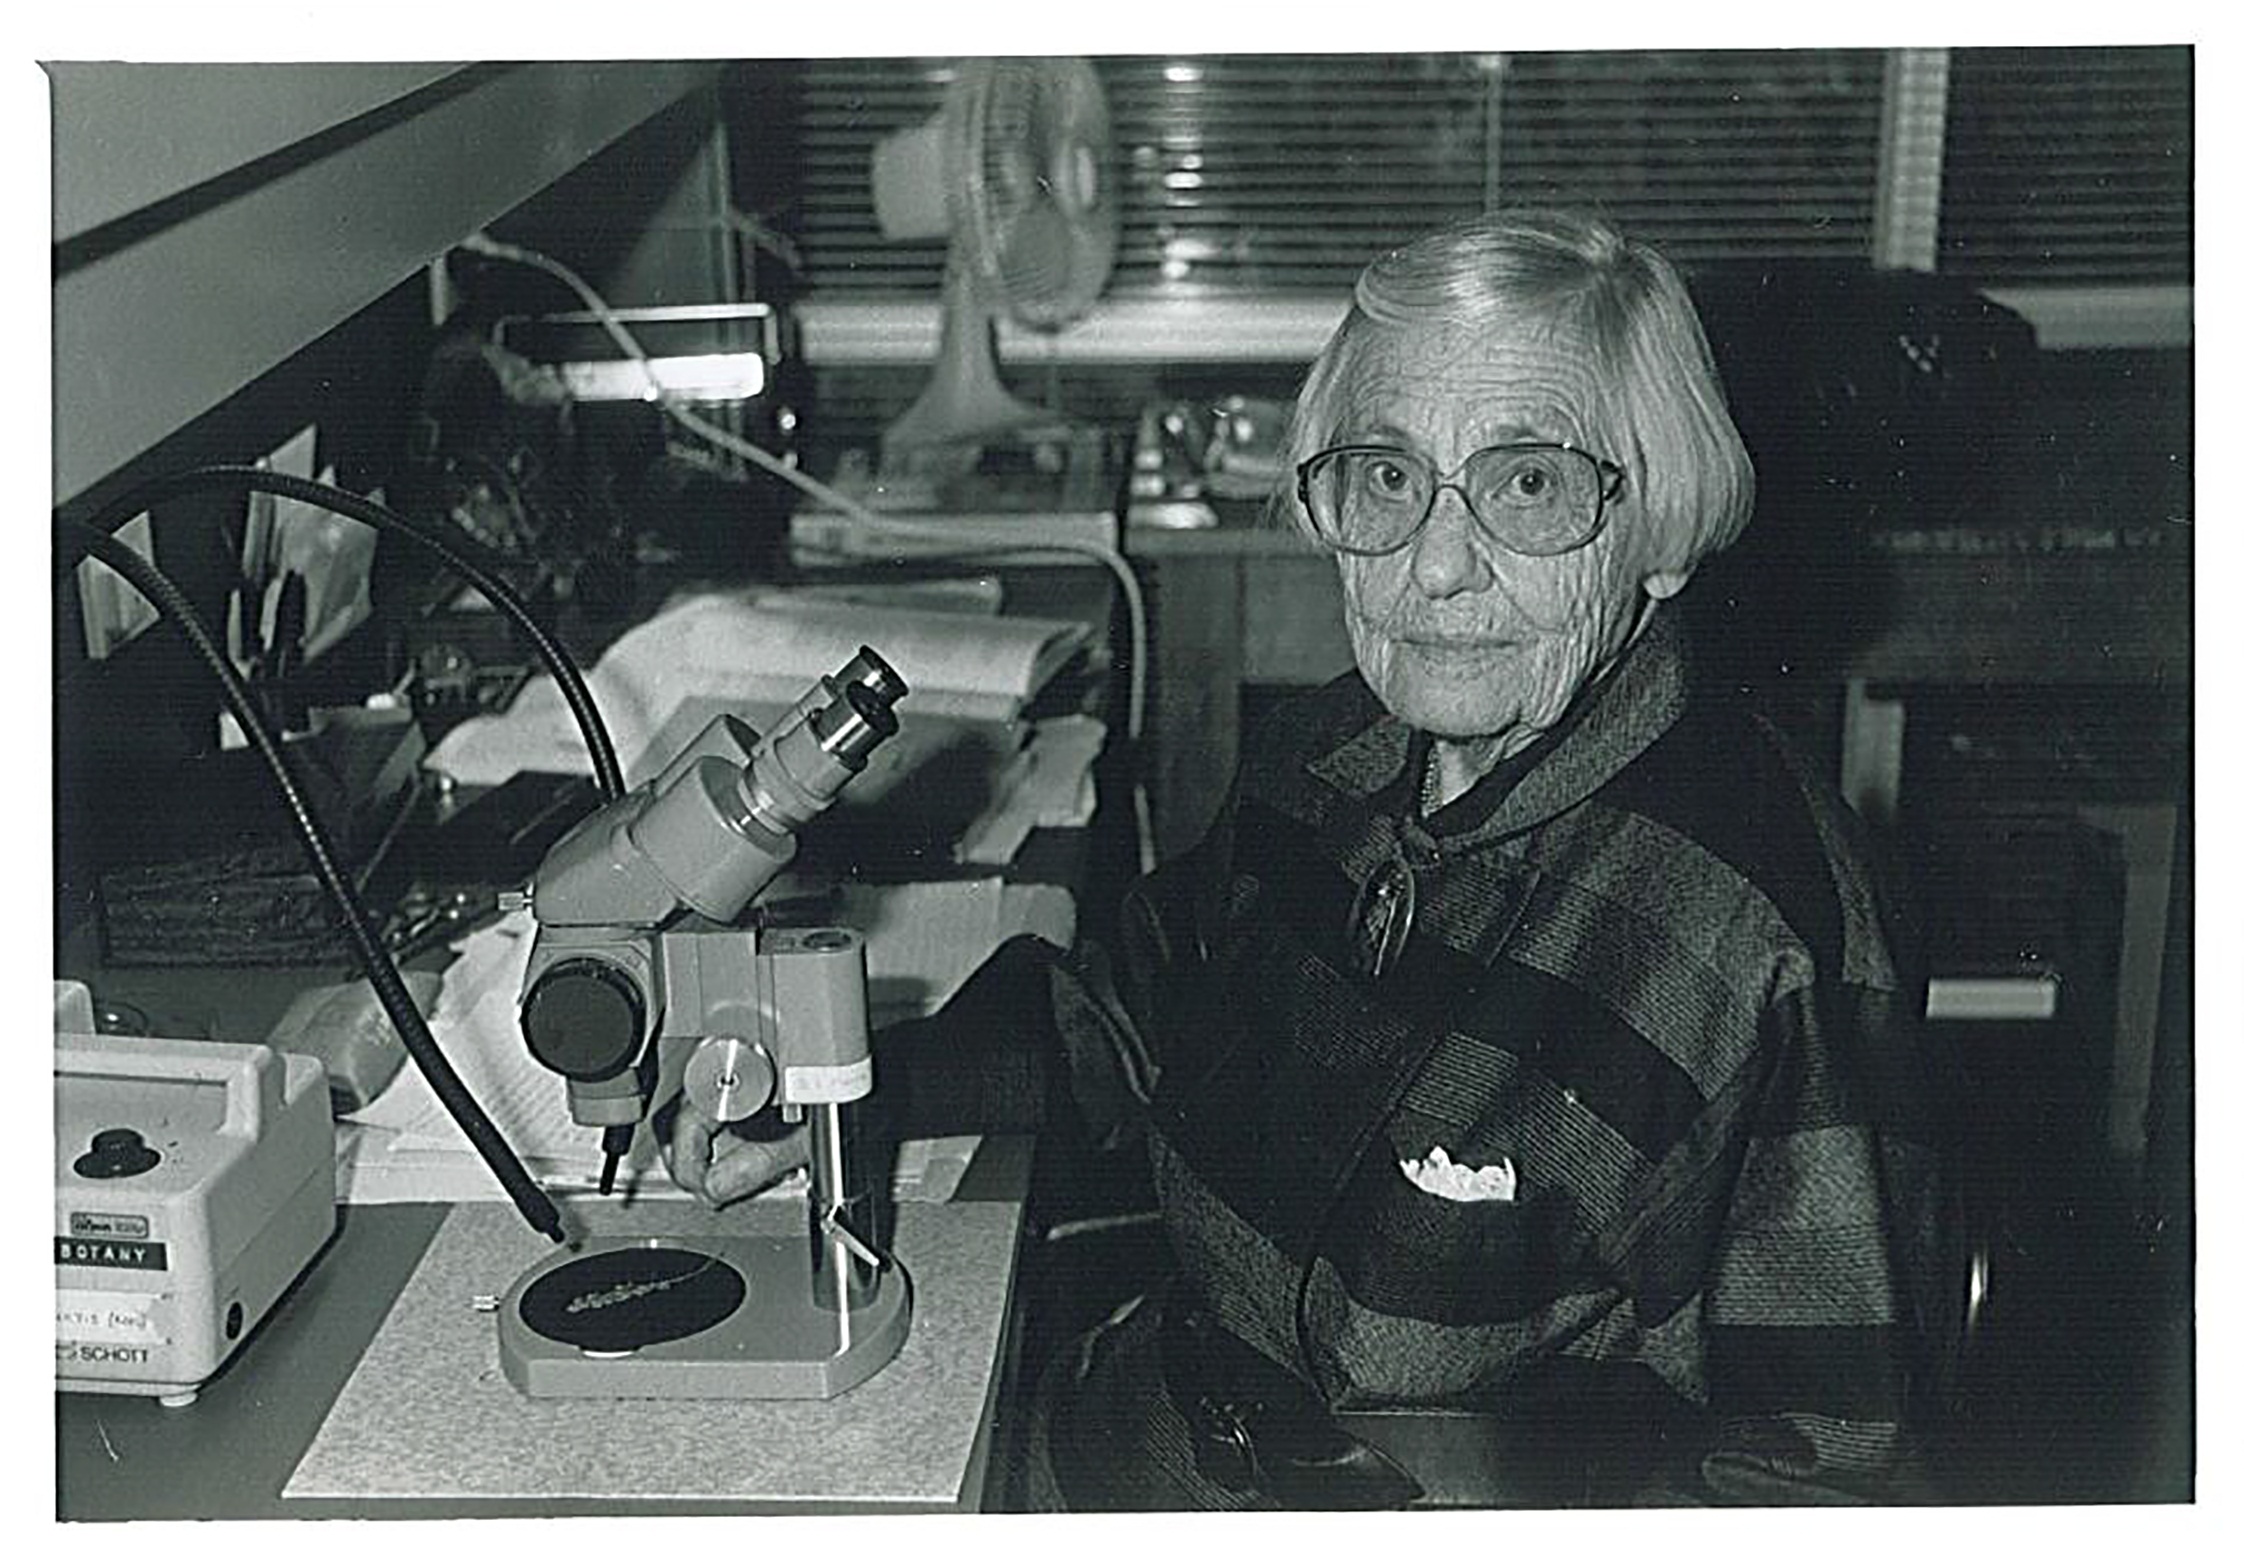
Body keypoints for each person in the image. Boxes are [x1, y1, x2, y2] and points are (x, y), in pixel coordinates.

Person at [666, 209, 1953, 1508]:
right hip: (1141, 1439)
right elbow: (1128, 1006)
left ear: (1662, 535)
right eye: (1387, 478)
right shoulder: (1329, 751)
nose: (1437, 567)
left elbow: (1819, 1486)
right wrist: (854, 1092)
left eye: (1530, 485)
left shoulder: (1763, 937)